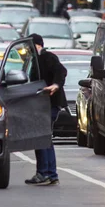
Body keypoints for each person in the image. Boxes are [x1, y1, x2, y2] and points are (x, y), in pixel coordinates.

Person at [25, 33, 67, 186]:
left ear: (38, 45)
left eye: (30, 46)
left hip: (50, 104)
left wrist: (55, 85)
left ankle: (44, 172)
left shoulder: (48, 57)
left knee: (41, 137)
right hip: (42, 104)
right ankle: (50, 173)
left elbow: (61, 71)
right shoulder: (34, 60)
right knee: (45, 138)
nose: (28, 50)